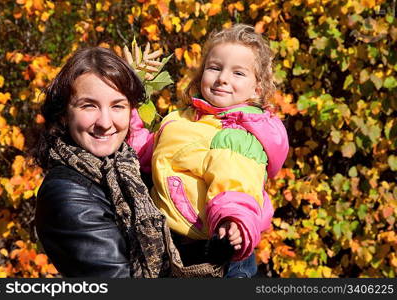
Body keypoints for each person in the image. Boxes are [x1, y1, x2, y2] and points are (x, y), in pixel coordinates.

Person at [127, 24, 289, 277]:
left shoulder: (237, 135)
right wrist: (127, 115)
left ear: (257, 89)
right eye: (214, 68)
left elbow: (236, 181)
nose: (223, 78)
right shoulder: (179, 119)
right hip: (173, 242)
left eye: (238, 73)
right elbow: (148, 155)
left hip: (218, 250)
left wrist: (232, 222)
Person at [33, 46, 176, 278]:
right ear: (63, 113)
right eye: (88, 106)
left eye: (117, 106)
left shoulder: (128, 168)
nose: (105, 122)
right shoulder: (67, 193)